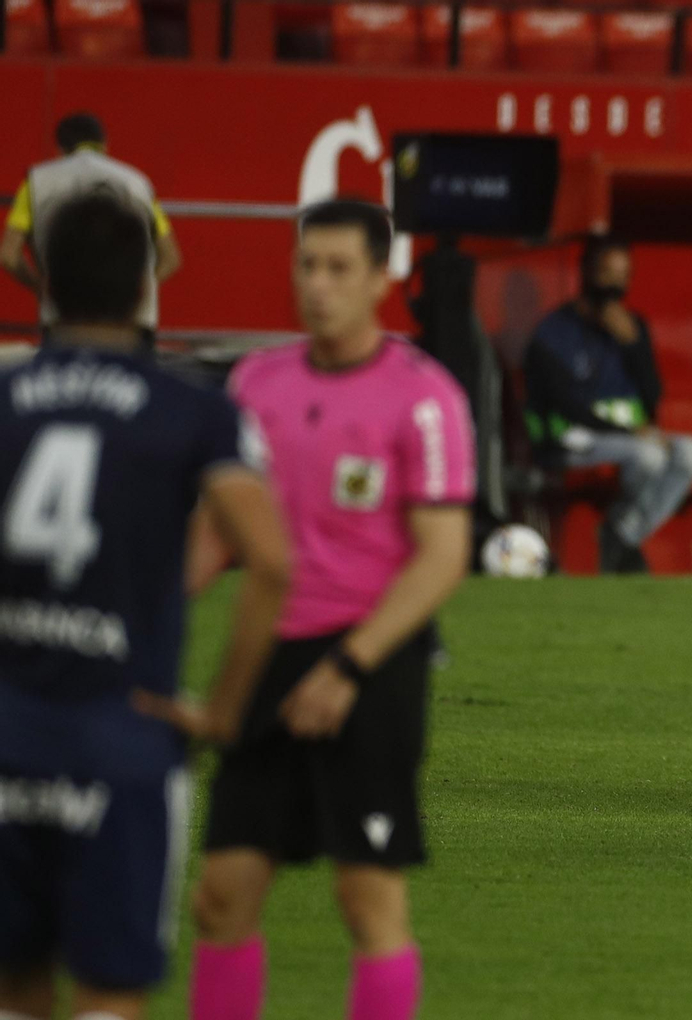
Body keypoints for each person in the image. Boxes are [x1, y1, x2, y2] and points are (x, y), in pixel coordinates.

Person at [185, 200, 475, 1020]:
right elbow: (213, 538)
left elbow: (443, 557)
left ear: (381, 278)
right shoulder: (254, 385)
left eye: (340, 268)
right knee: (221, 896)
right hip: (267, 656)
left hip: (373, 662)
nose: (318, 286)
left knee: (366, 900)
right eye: (307, 265)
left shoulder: (425, 399)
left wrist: (348, 667)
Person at [0, 192, 287, 1020]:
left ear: (45, 283)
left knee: (14, 987)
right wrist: (225, 712)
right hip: (122, 736)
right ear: (145, 287)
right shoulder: (194, 413)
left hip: (8, 730)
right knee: (111, 992)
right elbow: (268, 559)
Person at [523, 235, 692, 573]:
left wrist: (635, 346)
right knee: (648, 456)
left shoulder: (632, 328)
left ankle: (622, 534)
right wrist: (630, 432)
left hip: (625, 439)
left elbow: (653, 397)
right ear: (586, 272)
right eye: (607, 273)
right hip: (570, 440)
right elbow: (567, 407)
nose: (615, 284)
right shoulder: (554, 332)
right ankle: (622, 542)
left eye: (623, 276)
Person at [1, 113, 182, 341]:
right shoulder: (138, 182)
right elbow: (171, 258)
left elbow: (8, 255)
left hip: (63, 322)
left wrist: (42, 288)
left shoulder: (36, 181)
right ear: (104, 145)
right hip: (132, 326)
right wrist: (136, 288)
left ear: (59, 149)